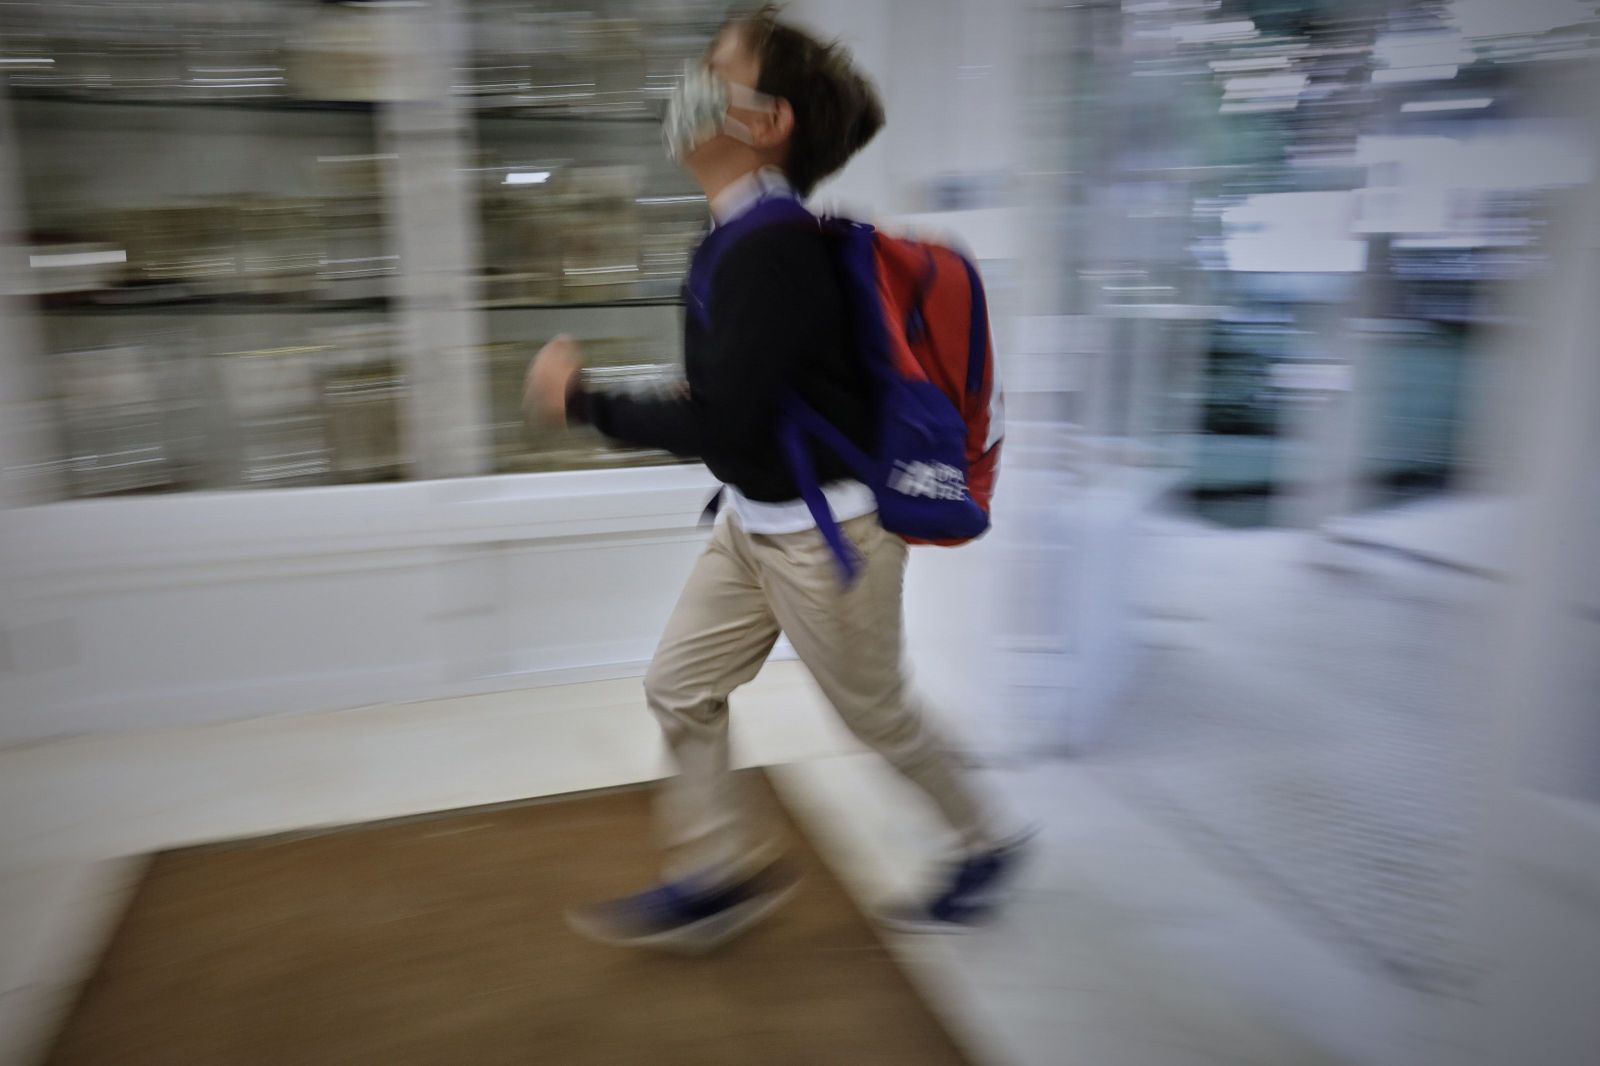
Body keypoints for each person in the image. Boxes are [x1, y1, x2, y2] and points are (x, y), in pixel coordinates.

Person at [523, 5, 1029, 952]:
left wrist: (580, 399)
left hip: (826, 539)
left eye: (717, 72)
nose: (692, 89)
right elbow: (735, 396)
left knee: (875, 717)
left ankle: (985, 839)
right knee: (679, 685)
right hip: (754, 521)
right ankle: (712, 875)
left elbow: (716, 417)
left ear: (767, 121)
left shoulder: (776, 249)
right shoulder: (731, 238)